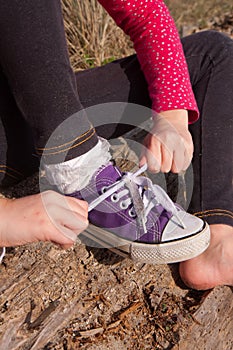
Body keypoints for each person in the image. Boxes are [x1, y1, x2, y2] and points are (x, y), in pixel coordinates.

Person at [0, 0, 232, 290]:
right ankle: (79, 166)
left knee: (212, 54)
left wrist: (172, 114)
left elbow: (146, 13)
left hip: (40, 98)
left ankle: (218, 242)